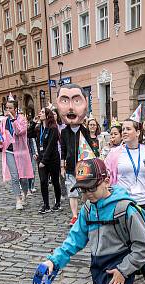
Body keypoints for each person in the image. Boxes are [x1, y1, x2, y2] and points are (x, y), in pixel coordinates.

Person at [58, 84, 99, 226]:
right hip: (69, 166)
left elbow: (90, 149)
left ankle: (87, 213)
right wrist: (62, 166)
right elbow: (62, 149)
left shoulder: (85, 130)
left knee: (84, 191)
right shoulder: (64, 132)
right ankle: (74, 216)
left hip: (83, 166)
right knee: (72, 192)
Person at [0, 100, 34, 210]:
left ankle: (24, 193)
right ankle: (18, 199)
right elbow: (0, 133)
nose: (8, 110)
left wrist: (13, 119)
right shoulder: (4, 121)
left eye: (10, 108)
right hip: (9, 151)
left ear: (15, 109)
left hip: (21, 151)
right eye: (6, 108)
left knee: (23, 178)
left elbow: (19, 132)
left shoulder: (21, 119)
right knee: (14, 177)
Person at [28, 106, 62, 213]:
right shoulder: (39, 129)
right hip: (41, 158)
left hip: (52, 159)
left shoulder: (53, 128)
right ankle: (46, 205)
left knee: (55, 181)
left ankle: (57, 203)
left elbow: (51, 146)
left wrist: (44, 161)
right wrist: (33, 123)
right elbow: (29, 134)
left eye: (42, 112)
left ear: (47, 115)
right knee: (43, 182)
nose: (40, 113)